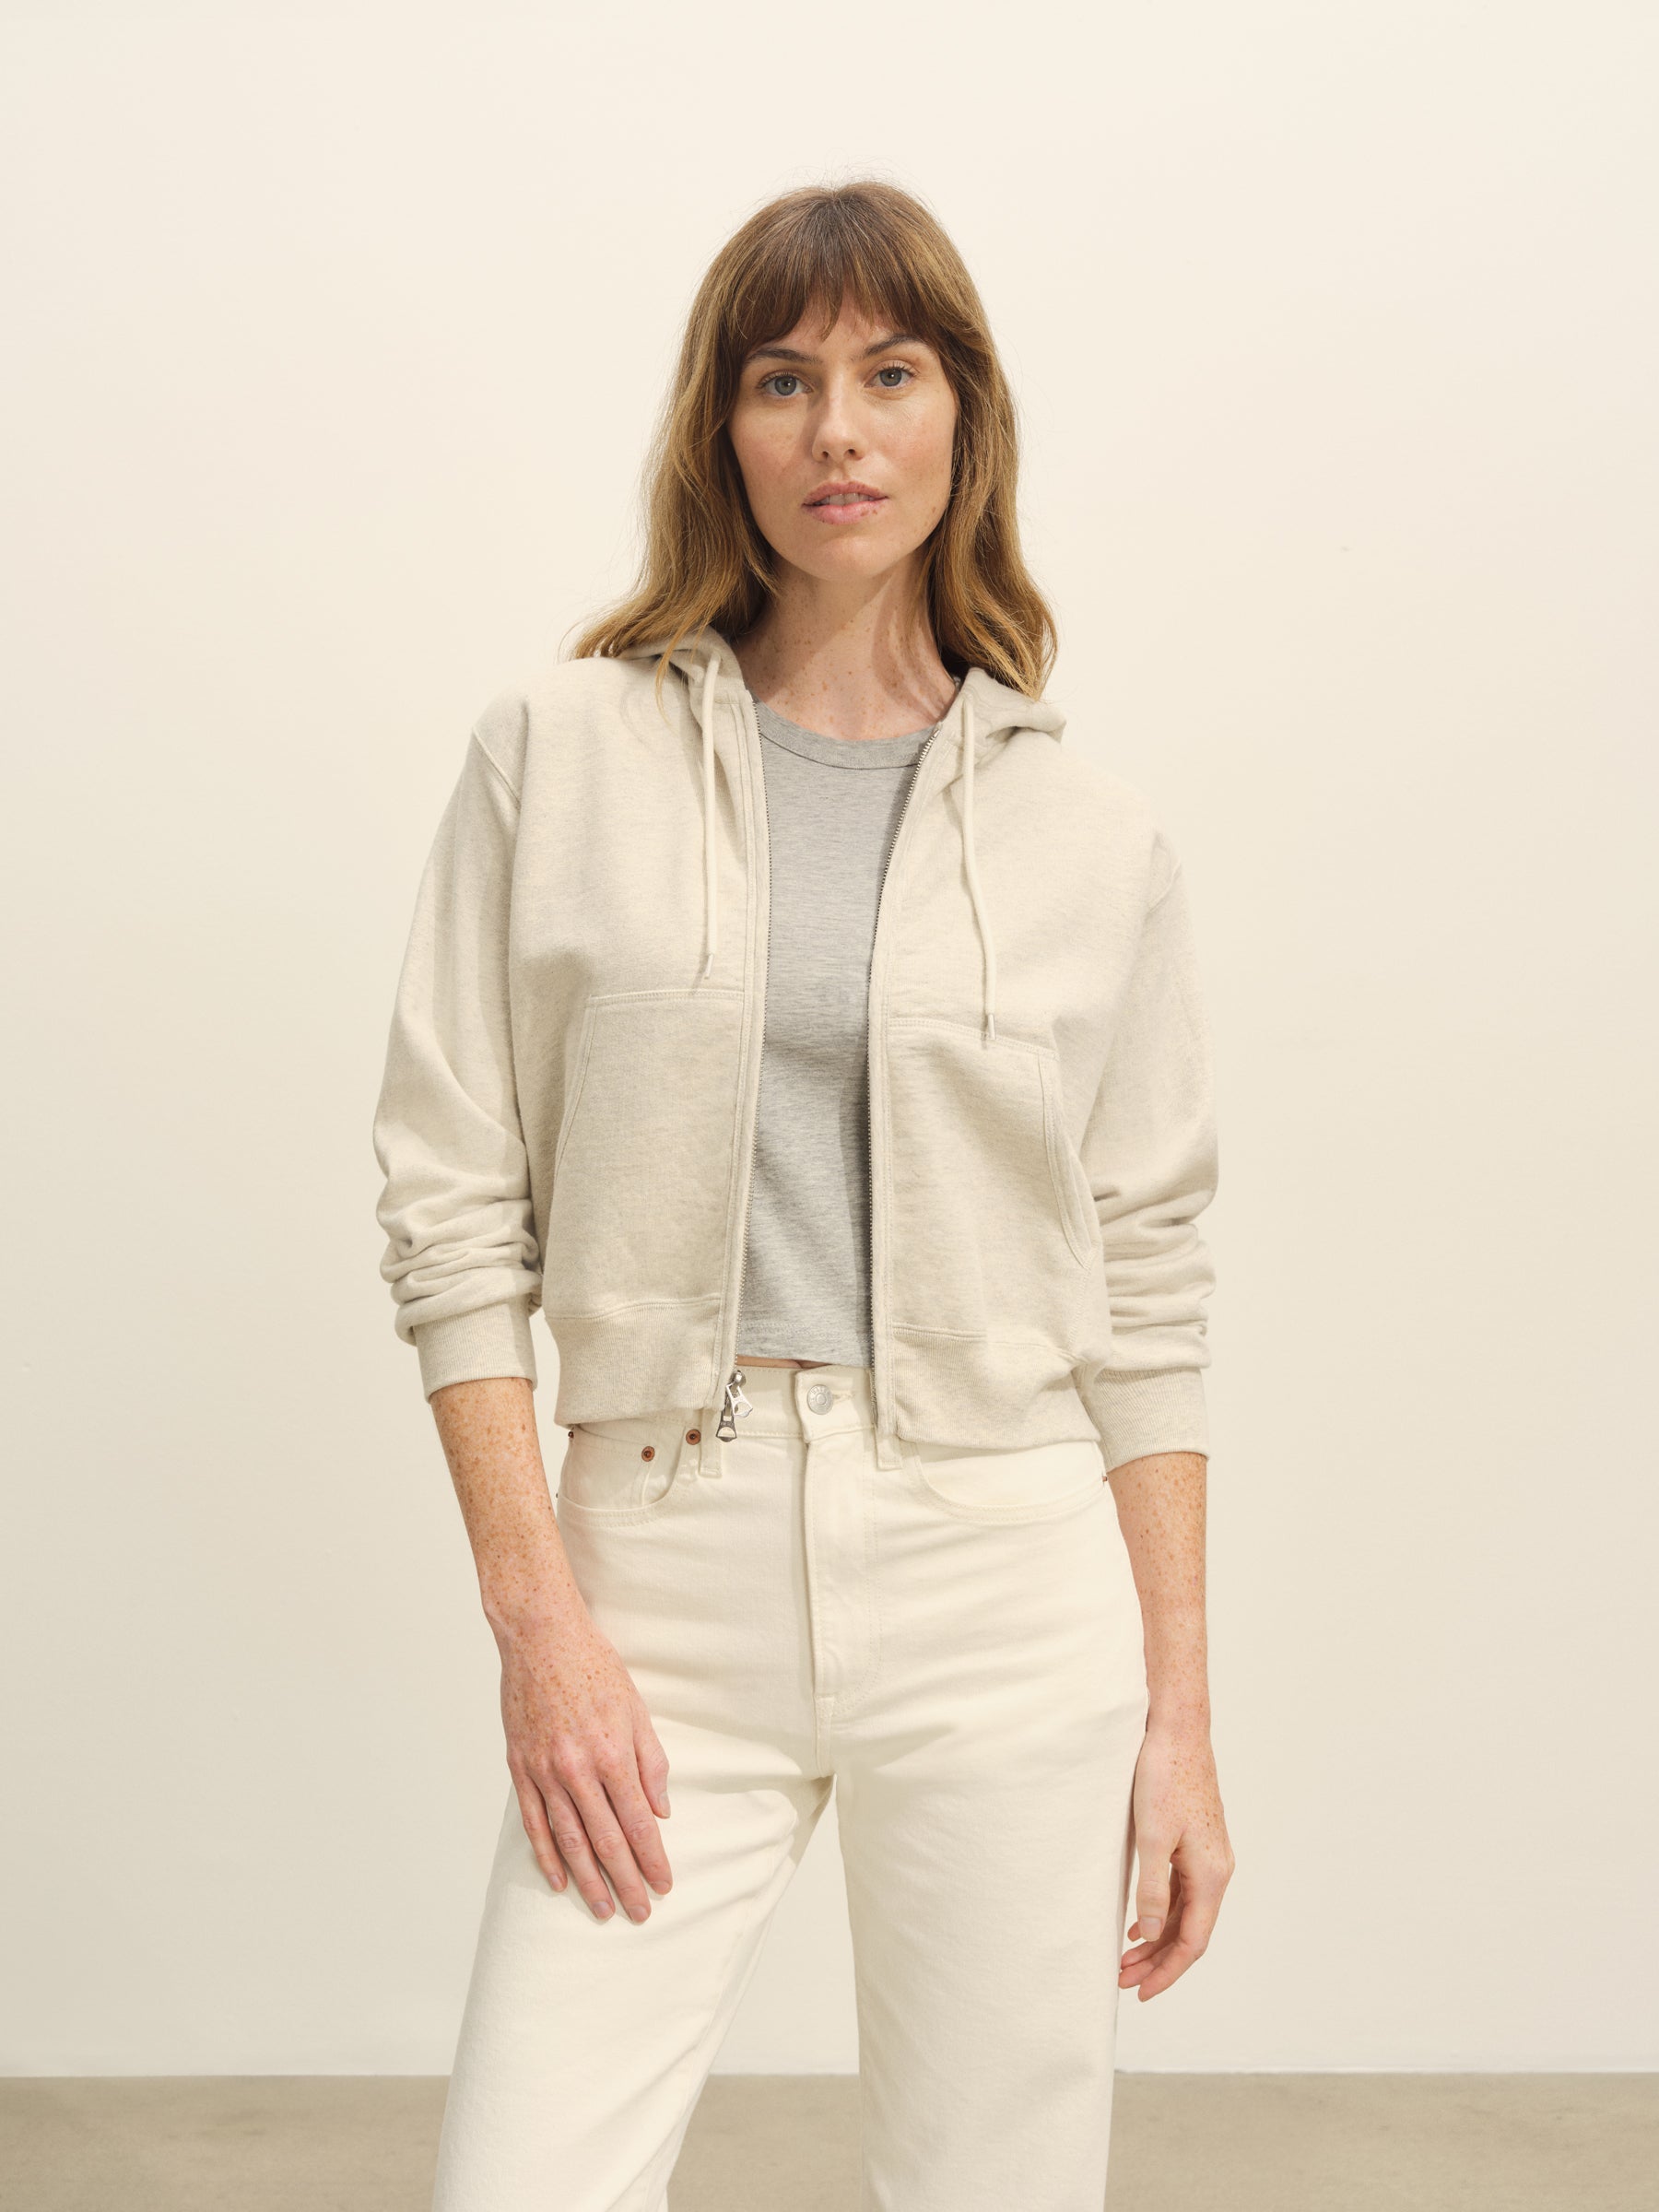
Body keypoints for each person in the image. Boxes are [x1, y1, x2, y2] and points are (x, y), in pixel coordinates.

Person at [371, 178, 1235, 2212]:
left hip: (1003, 1568)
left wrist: (1182, 1714)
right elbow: (450, 1209)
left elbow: (1151, 1285)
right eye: (783, 380)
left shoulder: (1092, 833)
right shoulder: (557, 754)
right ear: (722, 429)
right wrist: (539, 1623)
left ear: (964, 419)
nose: (838, 430)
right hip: (662, 1561)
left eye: (890, 374)